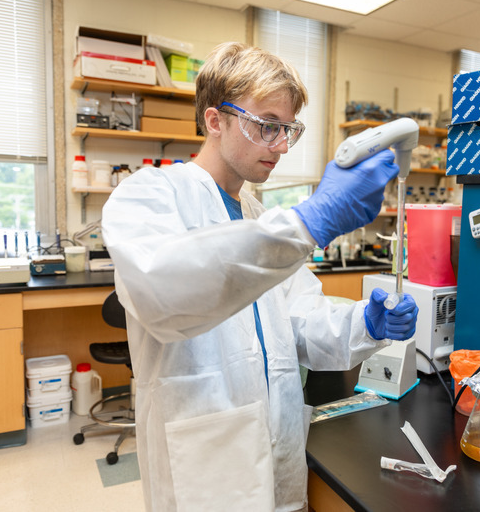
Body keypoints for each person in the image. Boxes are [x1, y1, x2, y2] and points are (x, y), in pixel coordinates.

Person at [101, 42, 418, 512]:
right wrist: (310, 221)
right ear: (214, 121)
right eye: (267, 125)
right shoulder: (147, 195)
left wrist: (364, 326)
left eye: (288, 129)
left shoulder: (257, 215)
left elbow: (299, 323)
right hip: (204, 468)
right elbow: (162, 293)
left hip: (281, 446)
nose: (282, 146)